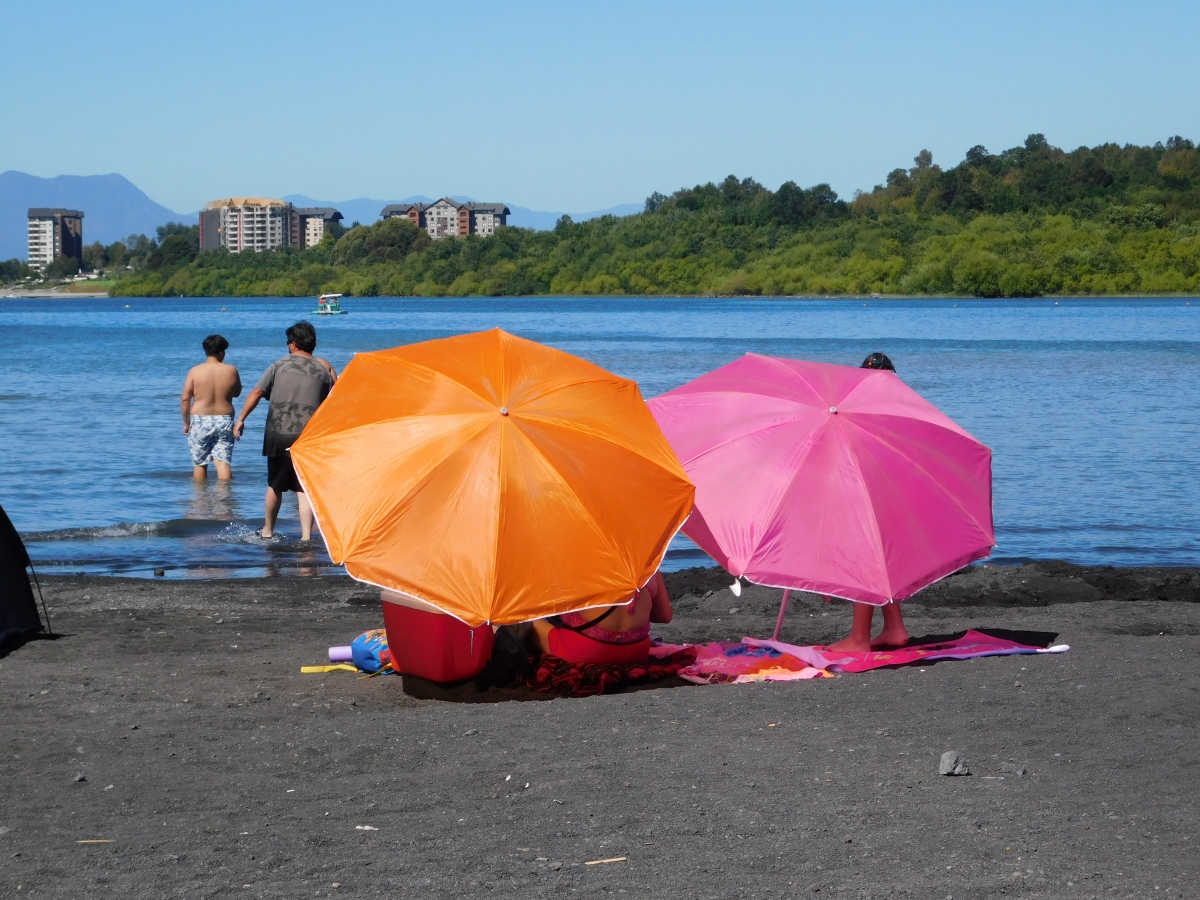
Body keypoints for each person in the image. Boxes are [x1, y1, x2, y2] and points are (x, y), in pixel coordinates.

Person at [827, 350, 907, 652]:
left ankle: (860, 638)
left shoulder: (860, 412)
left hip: (870, 491)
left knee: (864, 557)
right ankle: (895, 627)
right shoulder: (901, 411)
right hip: (895, 496)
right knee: (883, 559)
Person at [233, 321, 336, 540]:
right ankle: (306, 537)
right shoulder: (323, 370)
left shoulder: (279, 365)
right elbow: (331, 404)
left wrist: (241, 419)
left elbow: (257, 392)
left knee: (275, 485)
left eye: (288, 341)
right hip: (307, 437)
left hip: (278, 433)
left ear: (294, 344)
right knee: (303, 488)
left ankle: (268, 531)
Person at [528, 570, 673, 665]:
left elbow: (540, 604)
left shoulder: (576, 561)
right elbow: (664, 616)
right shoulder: (648, 562)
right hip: (636, 652)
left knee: (523, 621)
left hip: (585, 652)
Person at [181, 334, 242, 481]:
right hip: (224, 420)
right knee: (223, 463)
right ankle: (225, 500)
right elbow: (237, 393)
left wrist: (186, 422)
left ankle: (201, 500)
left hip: (200, 420)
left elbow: (185, 398)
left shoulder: (195, 371)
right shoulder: (231, 370)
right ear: (221, 352)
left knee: (200, 463)